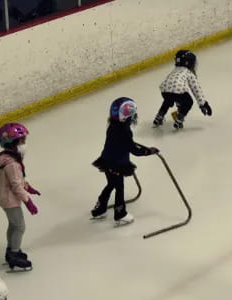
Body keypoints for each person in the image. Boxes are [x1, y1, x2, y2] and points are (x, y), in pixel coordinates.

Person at [91, 97, 159, 226]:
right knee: (119, 187)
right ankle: (120, 214)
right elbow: (134, 150)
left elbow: (124, 143)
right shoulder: (124, 130)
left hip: (107, 160)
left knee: (111, 184)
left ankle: (99, 209)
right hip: (117, 163)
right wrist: (148, 151)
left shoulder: (112, 125)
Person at [0, 123, 41, 270]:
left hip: (7, 198)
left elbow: (17, 181)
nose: (24, 145)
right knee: (20, 227)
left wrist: (29, 187)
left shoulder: (10, 160)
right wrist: (28, 202)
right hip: (11, 201)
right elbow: (16, 186)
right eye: (22, 141)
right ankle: (14, 254)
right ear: (12, 143)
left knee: (13, 225)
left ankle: (11, 250)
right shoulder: (12, 164)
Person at [153, 50, 212, 129]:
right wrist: (203, 104)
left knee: (168, 100)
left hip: (164, 90)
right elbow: (196, 89)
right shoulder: (189, 73)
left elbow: (171, 89)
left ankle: (159, 116)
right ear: (189, 63)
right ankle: (179, 120)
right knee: (188, 102)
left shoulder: (175, 70)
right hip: (178, 90)